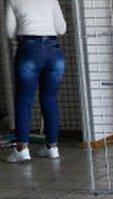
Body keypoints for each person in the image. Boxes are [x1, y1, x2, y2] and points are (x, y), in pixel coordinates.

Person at [5, 0, 67, 163]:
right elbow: (62, 28)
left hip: (29, 50)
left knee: (24, 100)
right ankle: (52, 147)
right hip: (54, 52)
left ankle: (22, 150)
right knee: (50, 99)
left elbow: (10, 32)